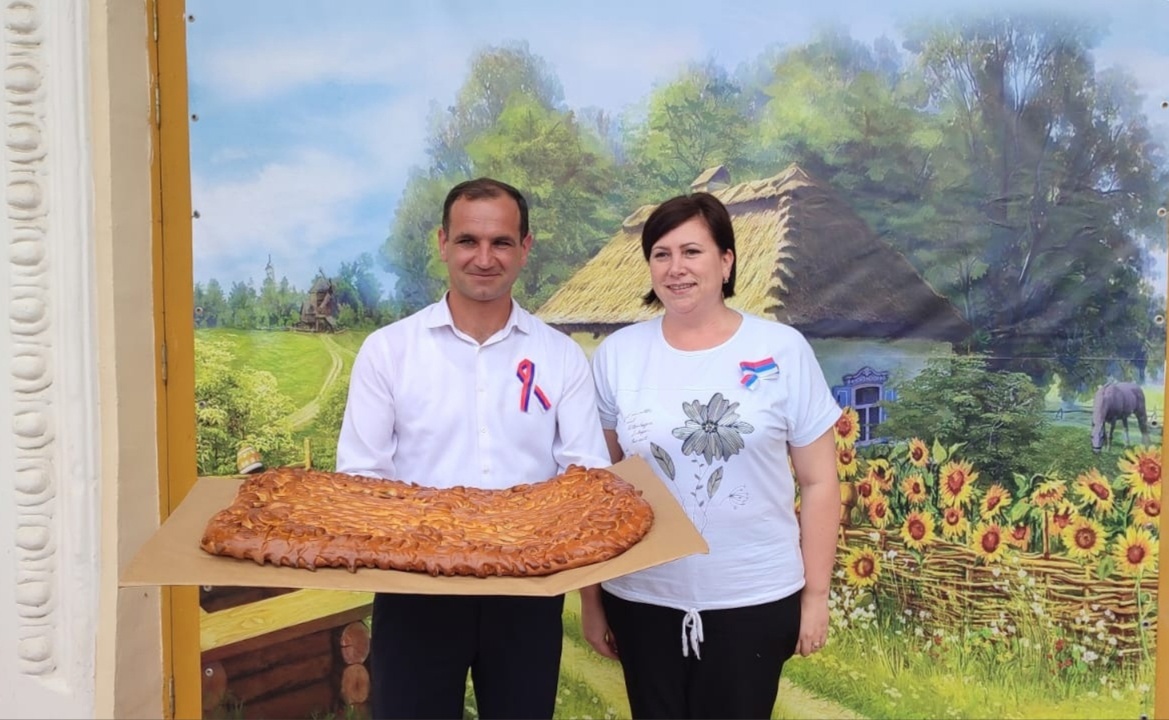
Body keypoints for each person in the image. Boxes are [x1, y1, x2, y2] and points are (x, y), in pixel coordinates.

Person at [336, 177, 610, 720]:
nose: (484, 258)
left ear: (525, 248)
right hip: (414, 593)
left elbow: (586, 480)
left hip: (528, 595)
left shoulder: (561, 357)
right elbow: (362, 480)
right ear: (443, 243)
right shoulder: (388, 351)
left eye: (501, 242)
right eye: (468, 241)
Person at [580, 192, 842, 719]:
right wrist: (591, 599)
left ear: (726, 261)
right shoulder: (618, 355)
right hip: (641, 598)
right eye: (661, 254)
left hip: (754, 598)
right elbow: (596, 487)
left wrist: (815, 596)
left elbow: (820, 482)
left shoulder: (782, 350)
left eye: (692, 252)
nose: (675, 268)